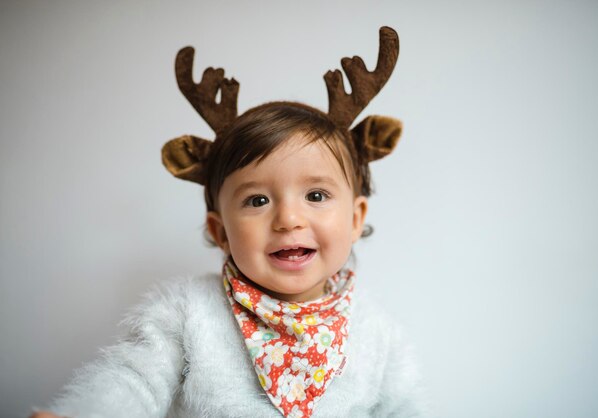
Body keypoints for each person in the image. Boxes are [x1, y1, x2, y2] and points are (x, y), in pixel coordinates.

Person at [30, 26, 429, 418]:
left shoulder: (377, 333)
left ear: (356, 218)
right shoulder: (187, 314)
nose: (289, 219)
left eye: (316, 195)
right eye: (257, 200)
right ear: (220, 231)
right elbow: (132, 380)